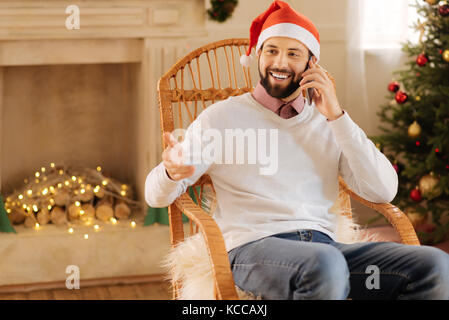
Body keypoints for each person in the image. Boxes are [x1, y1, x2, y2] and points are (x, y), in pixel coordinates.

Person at [145, 1, 449, 299]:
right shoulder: (220, 118)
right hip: (253, 250)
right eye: (271, 50)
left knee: (434, 265)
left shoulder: (329, 122)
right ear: (257, 55)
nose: (280, 62)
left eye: (293, 53)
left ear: (311, 64)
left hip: (328, 251)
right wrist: (171, 172)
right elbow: (155, 195)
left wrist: (336, 117)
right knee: (324, 266)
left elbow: (383, 190)